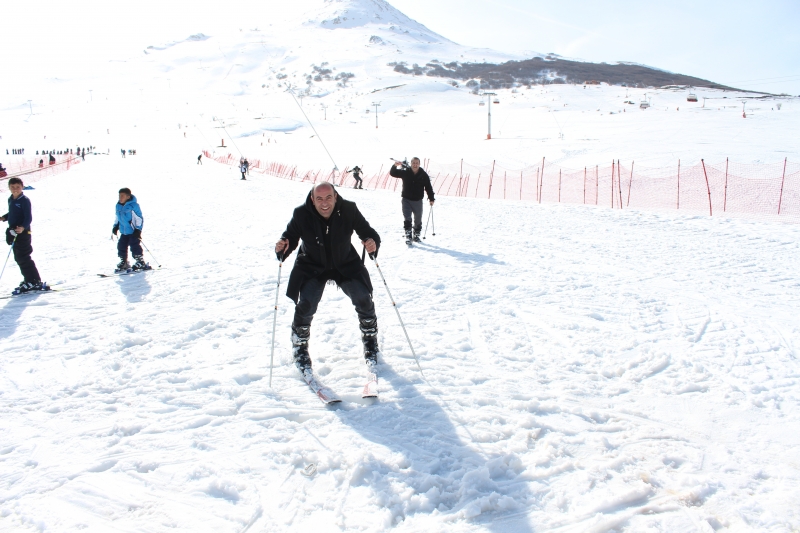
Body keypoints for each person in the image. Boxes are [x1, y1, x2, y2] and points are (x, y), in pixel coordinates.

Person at [274, 182, 381, 377]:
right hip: (313, 266)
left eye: (328, 198)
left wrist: (371, 241)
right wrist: (283, 246)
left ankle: (370, 340)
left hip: (345, 264)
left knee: (363, 297)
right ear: (312, 200)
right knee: (306, 303)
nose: (325, 203)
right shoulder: (301, 214)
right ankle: (299, 346)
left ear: (336, 196)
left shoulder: (349, 209)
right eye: (320, 199)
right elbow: (289, 237)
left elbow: (367, 232)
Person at [1, 178, 44, 293]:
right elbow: (13, 212)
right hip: (14, 231)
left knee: (24, 256)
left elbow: (28, 217)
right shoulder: (11, 199)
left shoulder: (24, 200)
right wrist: (4, 217)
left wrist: (23, 227)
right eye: (12, 187)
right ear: (9, 187)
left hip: (23, 232)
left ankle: (34, 280)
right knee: (19, 257)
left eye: (18, 187)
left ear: (22, 187)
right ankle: (29, 279)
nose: (15, 190)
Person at [389, 157, 435, 243]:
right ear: (411, 163)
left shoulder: (423, 175)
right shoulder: (406, 172)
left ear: (419, 164)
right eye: (413, 163)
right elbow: (393, 173)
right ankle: (408, 236)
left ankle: (416, 235)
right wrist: (395, 166)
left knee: (418, 220)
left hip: (417, 201)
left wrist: (431, 198)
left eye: (417, 163)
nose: (415, 164)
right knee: (407, 218)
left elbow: (428, 187)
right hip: (406, 200)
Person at [111, 188, 147, 272]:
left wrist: (138, 229)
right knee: (121, 246)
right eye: (119, 195)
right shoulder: (118, 205)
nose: (120, 197)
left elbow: (139, 218)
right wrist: (115, 226)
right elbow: (117, 217)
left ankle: (140, 261)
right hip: (124, 231)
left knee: (134, 245)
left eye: (123, 196)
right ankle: (124, 262)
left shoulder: (133, 206)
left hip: (133, 231)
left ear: (128, 196)